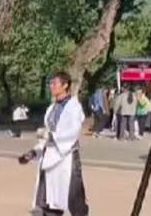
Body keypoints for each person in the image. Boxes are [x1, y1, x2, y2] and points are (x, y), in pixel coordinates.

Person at [18, 71, 89, 216]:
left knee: (74, 200)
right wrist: (33, 152)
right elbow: (46, 137)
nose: (51, 86)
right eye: (50, 83)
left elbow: (72, 132)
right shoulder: (52, 108)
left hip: (67, 158)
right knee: (49, 200)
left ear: (65, 85)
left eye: (55, 83)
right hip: (49, 158)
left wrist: (50, 135)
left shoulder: (74, 107)